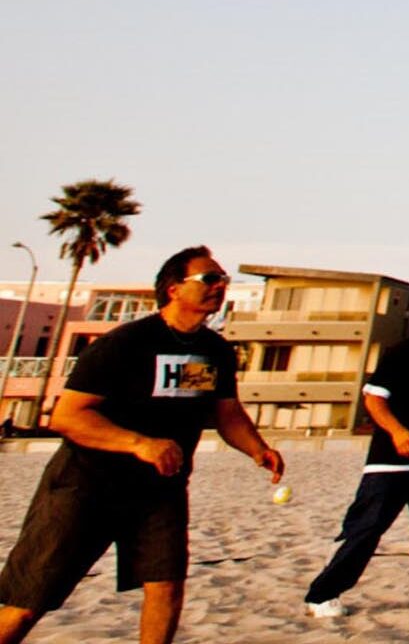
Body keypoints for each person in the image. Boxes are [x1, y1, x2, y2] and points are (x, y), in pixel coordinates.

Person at [0, 247, 285, 644]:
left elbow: (227, 413)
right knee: (32, 596)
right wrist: (138, 443)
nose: (220, 286)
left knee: (165, 585)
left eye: (223, 279)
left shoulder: (216, 351)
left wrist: (257, 448)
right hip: (86, 485)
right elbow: (68, 416)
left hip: (160, 490)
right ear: (173, 289)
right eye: (208, 279)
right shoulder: (125, 344)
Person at [304, 283, 409, 617]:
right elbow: (374, 398)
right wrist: (398, 432)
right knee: (367, 527)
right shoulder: (403, 352)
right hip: (391, 462)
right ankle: (322, 595)